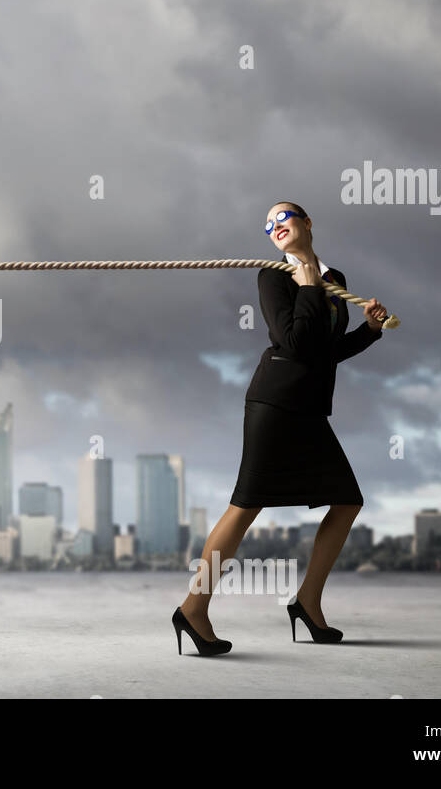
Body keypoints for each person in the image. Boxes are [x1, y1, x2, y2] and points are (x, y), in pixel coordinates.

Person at [171, 201, 389, 656]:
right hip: (274, 402)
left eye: (283, 217)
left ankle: (307, 602)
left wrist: (368, 330)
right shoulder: (273, 276)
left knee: (347, 501)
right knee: (245, 507)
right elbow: (293, 340)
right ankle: (193, 608)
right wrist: (308, 286)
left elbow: (323, 351)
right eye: (267, 224)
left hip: (309, 409)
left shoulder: (336, 280)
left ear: (308, 222)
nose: (275, 227)